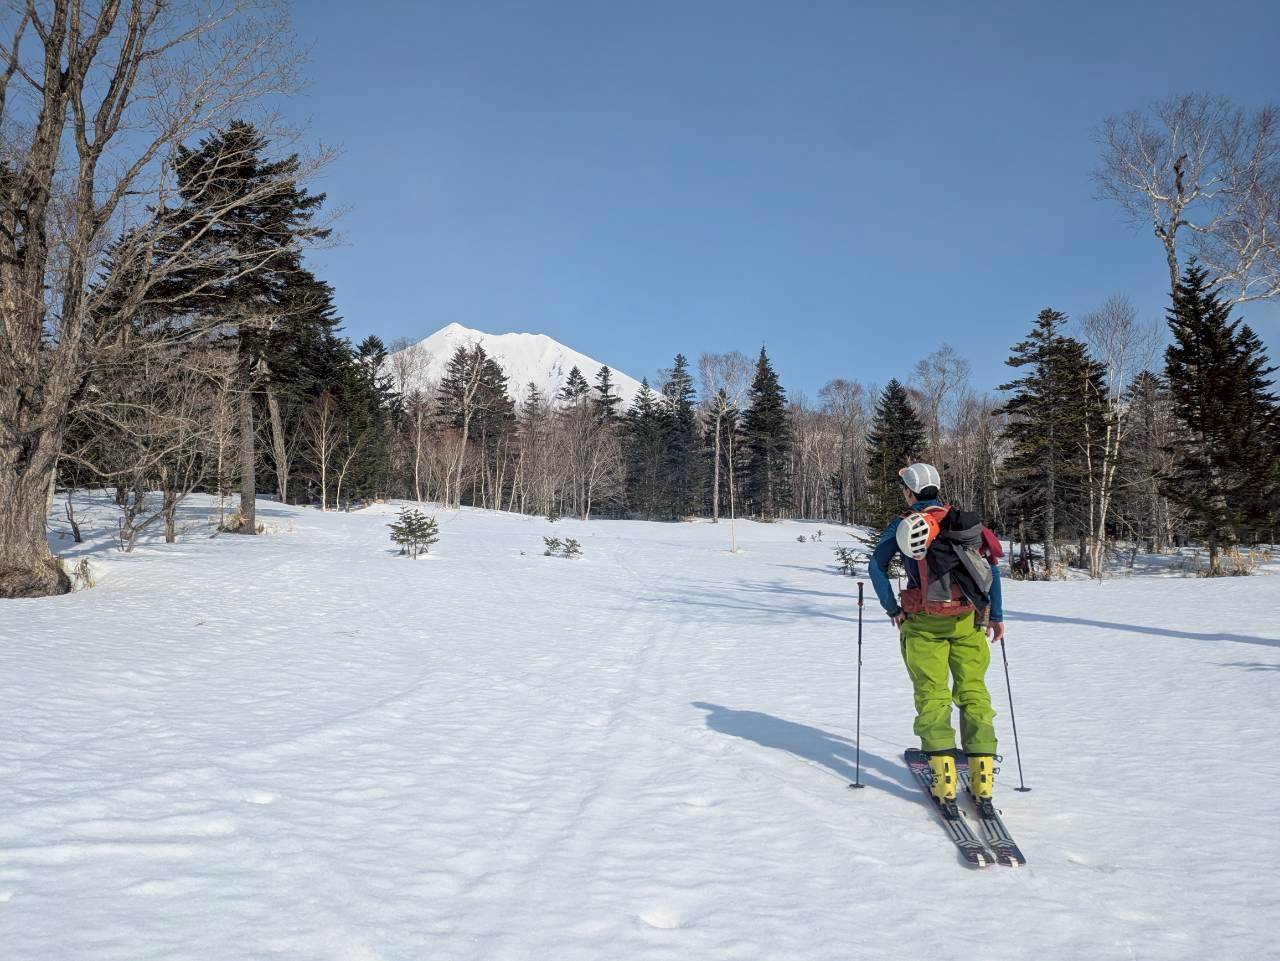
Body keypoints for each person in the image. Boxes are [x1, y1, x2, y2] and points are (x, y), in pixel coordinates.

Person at [868, 462, 1005, 811]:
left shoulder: (904, 524)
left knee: (932, 694)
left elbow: (876, 566)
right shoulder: (963, 523)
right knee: (974, 692)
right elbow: (992, 567)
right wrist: (996, 615)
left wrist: (892, 608)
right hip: (967, 621)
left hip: (923, 623)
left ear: (909, 492)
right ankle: (982, 780)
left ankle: (944, 781)